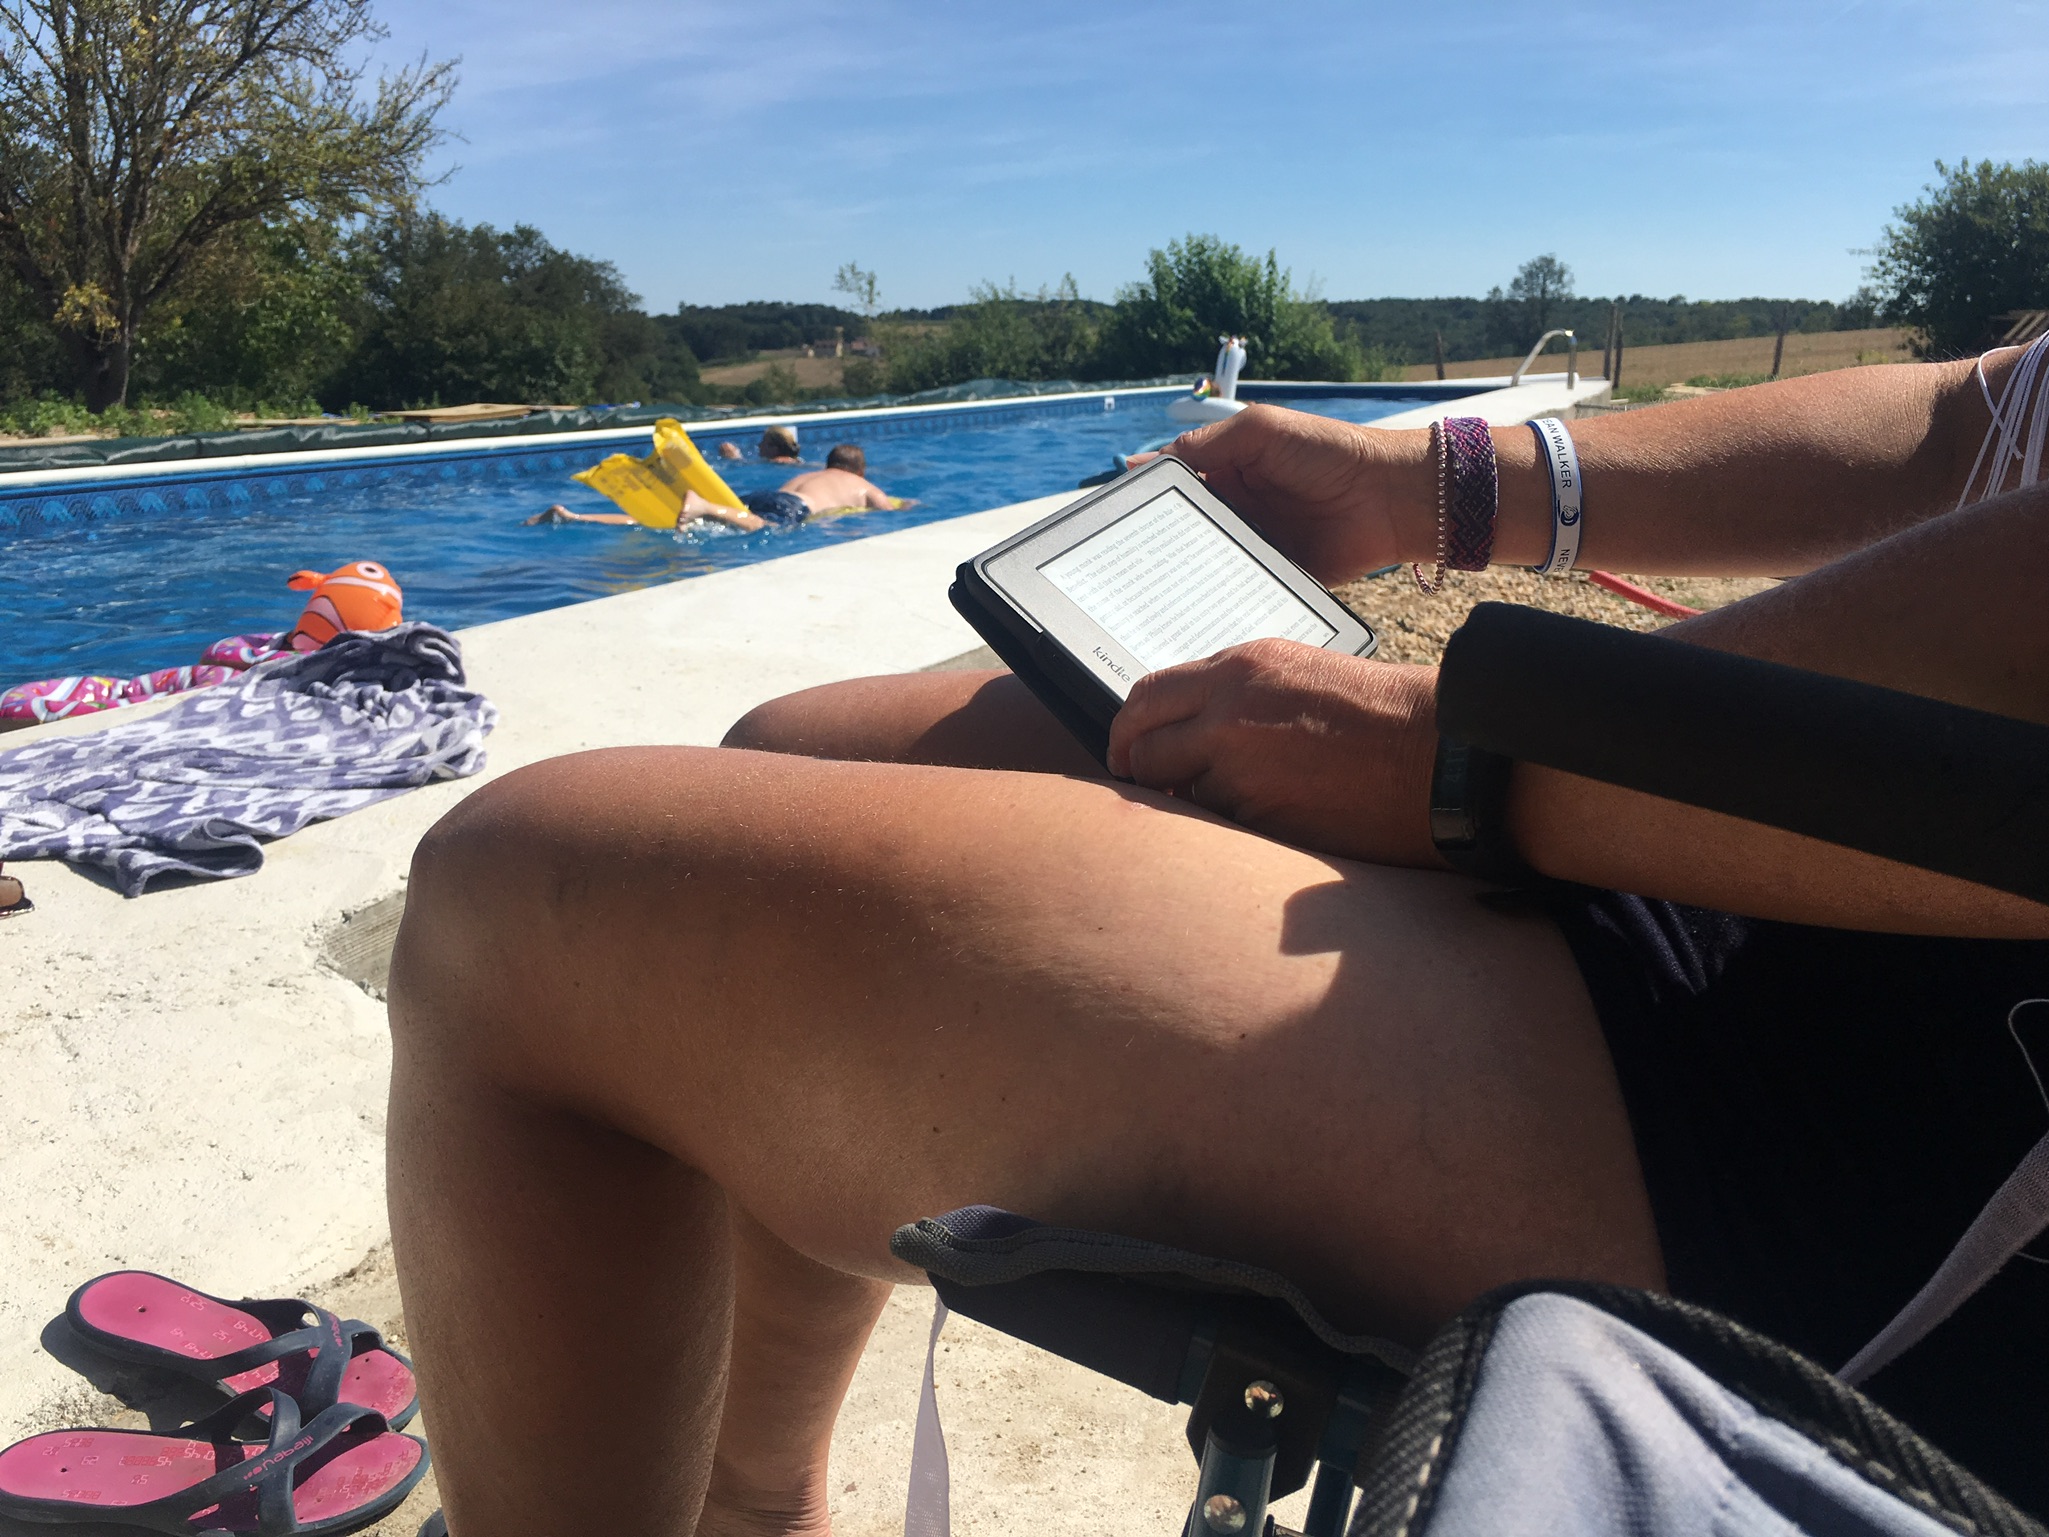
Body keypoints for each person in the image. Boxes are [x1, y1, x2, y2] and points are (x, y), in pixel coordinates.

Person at [390, 343, 2049, 1536]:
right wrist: (1416, 486)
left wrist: (1457, 757)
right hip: (1815, 850)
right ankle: (756, 1503)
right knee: (789, 756)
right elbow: (1980, 414)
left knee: (518, 909)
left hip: (1935, 1122)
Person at [527, 443, 909, 532]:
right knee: (768, 529)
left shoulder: (813, 476)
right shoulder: (862, 484)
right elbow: (887, 511)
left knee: (668, 520)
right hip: (792, 509)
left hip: (764, 495)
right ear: (860, 469)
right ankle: (705, 507)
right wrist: (908, 505)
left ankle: (573, 516)